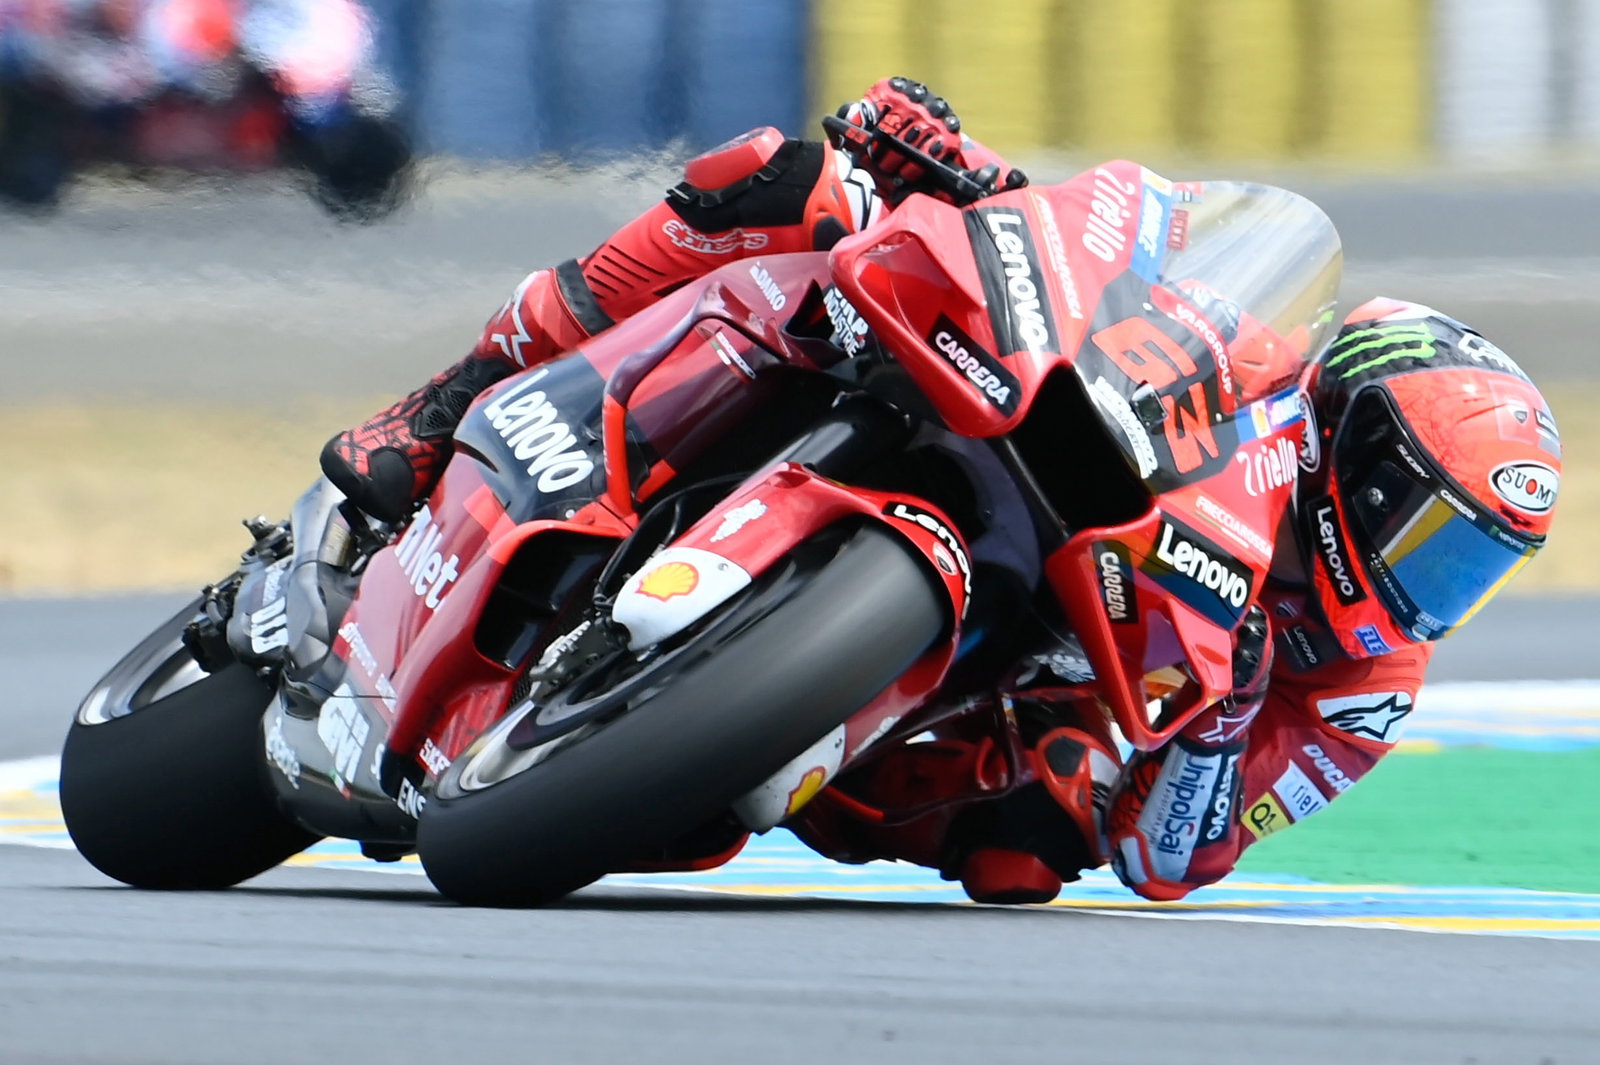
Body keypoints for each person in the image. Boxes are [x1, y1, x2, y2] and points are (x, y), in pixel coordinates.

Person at [321, 79, 1562, 903]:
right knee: (787, 182)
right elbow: (1112, 249)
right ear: (1347, 442)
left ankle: (722, 745)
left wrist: (1219, 719)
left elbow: (1173, 857)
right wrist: (964, 174)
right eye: (1426, 527)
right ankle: (437, 413)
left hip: (1030, 670)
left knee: (1032, 845)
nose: (1427, 579)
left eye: (1471, 563)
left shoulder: (1358, 692)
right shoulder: (1253, 367)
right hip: (1012, 437)